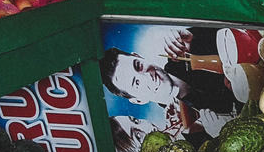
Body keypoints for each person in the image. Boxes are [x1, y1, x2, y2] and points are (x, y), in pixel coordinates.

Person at [100, 28, 238, 139]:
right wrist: (221, 137)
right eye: (136, 83)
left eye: (138, 66)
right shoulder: (186, 133)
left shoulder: (185, 49)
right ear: (138, 100)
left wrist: (195, 37)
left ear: (139, 56)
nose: (148, 76)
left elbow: (237, 37)